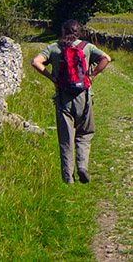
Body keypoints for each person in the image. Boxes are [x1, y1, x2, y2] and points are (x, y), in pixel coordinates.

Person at [31, 20, 111, 184]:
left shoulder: (53, 47)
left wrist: (52, 78)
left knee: (66, 139)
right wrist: (92, 75)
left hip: (63, 97)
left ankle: (68, 178)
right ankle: (82, 167)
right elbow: (106, 58)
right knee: (85, 133)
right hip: (84, 96)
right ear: (78, 32)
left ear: (63, 31)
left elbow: (35, 62)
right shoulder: (86, 47)